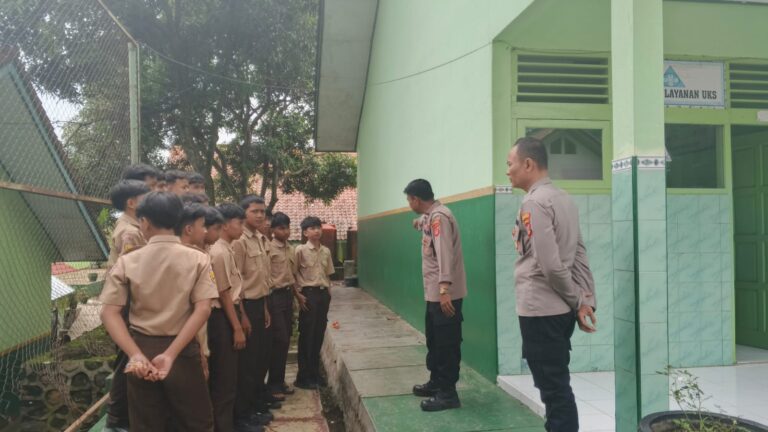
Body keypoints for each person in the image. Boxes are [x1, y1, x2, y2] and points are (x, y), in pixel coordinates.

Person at [99, 191, 217, 431]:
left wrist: (135, 355)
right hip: (183, 351)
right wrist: (171, 354)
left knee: (147, 423)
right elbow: (203, 310)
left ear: (144, 222)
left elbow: (108, 313)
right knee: (196, 423)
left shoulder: (128, 261)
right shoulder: (199, 259)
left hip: (142, 350)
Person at [506, 137, 597, 432]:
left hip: (541, 310)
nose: (507, 171)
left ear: (528, 164)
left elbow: (550, 266)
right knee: (555, 384)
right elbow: (579, 254)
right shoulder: (563, 198)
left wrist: (578, 300)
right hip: (559, 312)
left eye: (510, 164)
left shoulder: (534, 202)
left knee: (553, 388)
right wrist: (584, 300)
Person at [405, 179, 467, 412]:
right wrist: (418, 222)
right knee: (434, 340)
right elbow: (425, 222)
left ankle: (448, 394)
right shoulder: (431, 216)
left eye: (409, 200)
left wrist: (444, 289)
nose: (409, 204)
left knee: (447, 343)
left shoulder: (439, 217)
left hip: (444, 294)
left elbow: (444, 253)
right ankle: (437, 383)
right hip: (434, 294)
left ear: (416, 199)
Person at [209, 203, 262, 432]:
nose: (242, 227)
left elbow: (233, 292)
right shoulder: (219, 252)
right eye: (239, 223)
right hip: (221, 317)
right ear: (224, 224)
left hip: (232, 312)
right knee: (224, 378)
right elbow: (223, 294)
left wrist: (242, 318)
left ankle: (232, 422)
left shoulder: (228, 249)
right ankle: (224, 426)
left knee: (233, 375)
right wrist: (236, 327)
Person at [104, 179, 150, 431]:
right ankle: (117, 419)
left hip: (128, 302)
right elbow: (133, 274)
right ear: (132, 203)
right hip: (127, 303)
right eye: (146, 196)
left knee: (129, 358)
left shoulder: (134, 226)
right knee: (127, 360)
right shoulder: (130, 232)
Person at [233, 195, 276, 425]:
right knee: (247, 364)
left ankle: (255, 404)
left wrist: (266, 307)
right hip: (246, 306)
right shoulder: (239, 241)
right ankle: (243, 414)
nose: (260, 215)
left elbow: (262, 279)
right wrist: (242, 315)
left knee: (260, 358)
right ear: (243, 213)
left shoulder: (260, 238)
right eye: (254, 211)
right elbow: (236, 283)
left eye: (262, 211)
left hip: (260, 303)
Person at [293, 216, 334, 390]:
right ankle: (303, 377)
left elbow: (328, 274)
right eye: (312, 228)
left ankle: (315, 373)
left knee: (318, 335)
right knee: (307, 336)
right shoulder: (300, 250)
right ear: (305, 233)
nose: (316, 230)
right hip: (308, 295)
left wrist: (328, 294)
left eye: (318, 227)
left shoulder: (326, 251)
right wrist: (298, 295)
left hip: (322, 295)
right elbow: (292, 274)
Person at [266, 212, 296, 397]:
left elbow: (292, 275)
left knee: (286, 341)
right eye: (281, 228)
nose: (285, 231)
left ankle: (279, 380)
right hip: (274, 296)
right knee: (280, 339)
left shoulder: (290, 248)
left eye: (287, 228)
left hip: (288, 295)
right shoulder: (269, 249)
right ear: (273, 230)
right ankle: (273, 385)